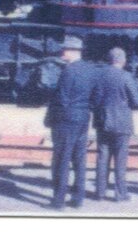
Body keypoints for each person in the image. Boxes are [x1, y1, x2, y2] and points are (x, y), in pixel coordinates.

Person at [44, 35, 98, 209]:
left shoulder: (68, 71)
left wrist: (52, 119)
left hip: (66, 121)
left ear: (73, 51)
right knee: (79, 160)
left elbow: (62, 99)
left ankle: (58, 201)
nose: (61, 51)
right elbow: (95, 96)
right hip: (83, 118)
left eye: (64, 49)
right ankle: (78, 199)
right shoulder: (90, 70)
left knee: (61, 160)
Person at [92, 47, 138, 202]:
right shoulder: (126, 76)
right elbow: (137, 101)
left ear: (109, 59)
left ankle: (100, 193)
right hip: (122, 124)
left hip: (102, 122)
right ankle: (120, 194)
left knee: (102, 158)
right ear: (123, 60)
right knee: (120, 160)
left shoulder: (99, 76)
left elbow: (94, 100)